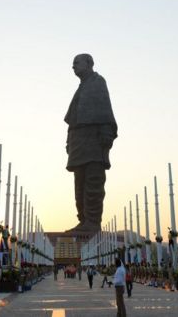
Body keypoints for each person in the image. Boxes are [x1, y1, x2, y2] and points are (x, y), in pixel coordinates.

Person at [65, 53, 118, 233]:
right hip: (78, 143)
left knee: (93, 182)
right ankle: (84, 220)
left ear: (89, 63)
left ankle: (93, 222)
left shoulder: (98, 82)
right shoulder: (81, 88)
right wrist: (68, 141)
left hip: (94, 141)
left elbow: (105, 110)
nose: (73, 66)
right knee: (79, 185)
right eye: (72, 63)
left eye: (76, 62)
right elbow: (72, 120)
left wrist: (106, 133)